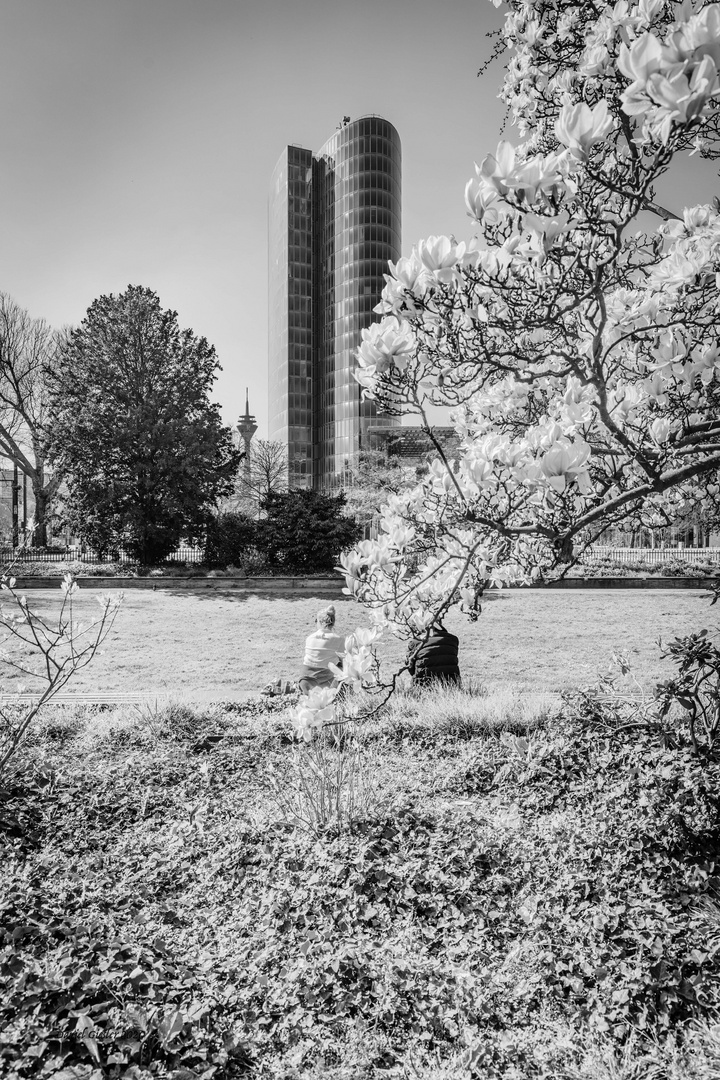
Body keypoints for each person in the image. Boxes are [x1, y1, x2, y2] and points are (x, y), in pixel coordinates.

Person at [299, 605, 345, 695]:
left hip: (305, 683)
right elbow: (345, 662)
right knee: (342, 667)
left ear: (319, 622)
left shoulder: (309, 638)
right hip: (327, 685)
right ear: (333, 623)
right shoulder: (339, 639)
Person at [406, 623, 460, 688]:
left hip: (423, 685)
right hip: (452, 684)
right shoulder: (453, 639)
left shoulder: (415, 641)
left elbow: (409, 666)